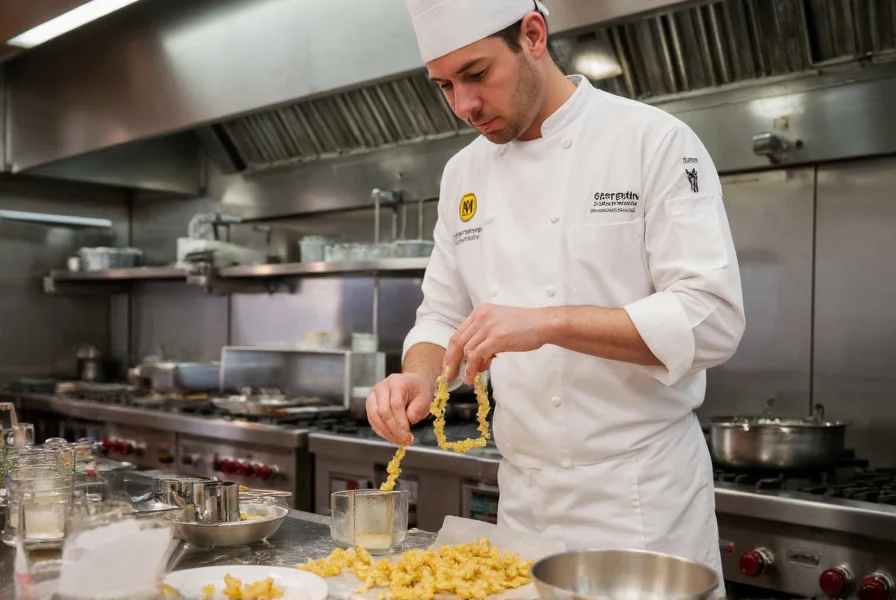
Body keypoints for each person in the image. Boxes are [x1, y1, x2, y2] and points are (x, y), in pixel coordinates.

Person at [366, 0, 745, 593]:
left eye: (476, 74)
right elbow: (441, 314)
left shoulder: (652, 141)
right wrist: (417, 376)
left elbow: (712, 320)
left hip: (640, 502)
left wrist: (548, 323)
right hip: (525, 501)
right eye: (444, 86)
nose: (464, 105)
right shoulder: (462, 174)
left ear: (533, 35)